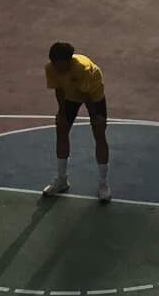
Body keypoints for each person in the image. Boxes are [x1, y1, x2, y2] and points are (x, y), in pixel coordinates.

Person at [41, 42, 111, 201]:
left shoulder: (82, 69)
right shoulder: (50, 68)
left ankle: (103, 184)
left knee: (99, 131)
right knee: (61, 127)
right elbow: (59, 89)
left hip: (93, 94)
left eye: (60, 65)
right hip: (70, 94)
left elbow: (86, 96)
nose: (57, 68)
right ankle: (61, 180)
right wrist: (62, 112)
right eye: (55, 64)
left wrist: (95, 117)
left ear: (69, 61)